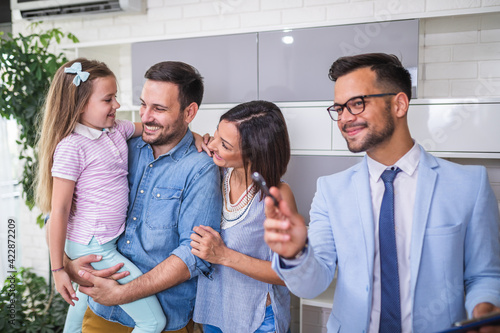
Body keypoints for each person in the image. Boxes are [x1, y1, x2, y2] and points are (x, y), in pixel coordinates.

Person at [263, 53, 500, 333]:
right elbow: (314, 284)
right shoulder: (330, 190)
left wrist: (484, 311)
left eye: (357, 104)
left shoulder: (468, 184)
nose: (344, 119)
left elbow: (484, 274)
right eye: (339, 109)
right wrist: (295, 254)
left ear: (399, 104)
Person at [57, 61, 222, 333]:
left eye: (159, 108)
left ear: (189, 112)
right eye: (144, 104)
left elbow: (192, 256)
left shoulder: (200, 168)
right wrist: (68, 265)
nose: (145, 116)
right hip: (100, 313)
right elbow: (66, 211)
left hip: (165, 322)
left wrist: (122, 294)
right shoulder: (118, 144)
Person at [36, 58, 166, 333]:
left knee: (76, 318)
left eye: (115, 97)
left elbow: (155, 129)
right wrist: (58, 269)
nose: (117, 105)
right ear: (81, 105)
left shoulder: (117, 129)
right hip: (93, 248)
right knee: (154, 322)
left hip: (101, 242)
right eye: (108, 99)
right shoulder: (72, 147)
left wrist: (198, 137)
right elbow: (57, 211)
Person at [190, 101, 296, 333]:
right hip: (213, 313)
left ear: (254, 154)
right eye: (216, 134)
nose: (214, 145)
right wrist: (194, 138)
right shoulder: (213, 173)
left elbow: (289, 274)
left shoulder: (277, 196)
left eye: (225, 144)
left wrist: (224, 255)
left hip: (257, 320)